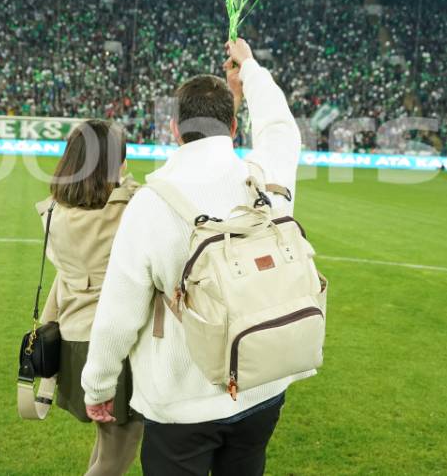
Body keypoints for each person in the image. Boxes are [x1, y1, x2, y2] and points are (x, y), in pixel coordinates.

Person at [82, 38, 304, 475]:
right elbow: (280, 128)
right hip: (262, 386)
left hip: (182, 403)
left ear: (174, 130)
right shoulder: (266, 179)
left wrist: (98, 385)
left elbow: (118, 312)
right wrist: (250, 69)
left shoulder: (152, 202)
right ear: (235, 128)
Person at [34, 120, 143, 476]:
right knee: (116, 454)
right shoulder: (127, 209)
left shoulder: (54, 211)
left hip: (75, 335)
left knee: (107, 444)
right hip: (115, 342)